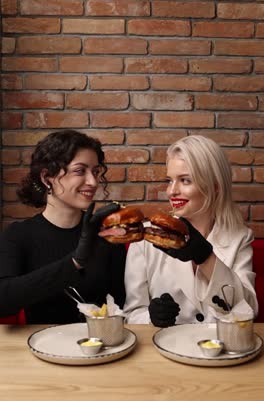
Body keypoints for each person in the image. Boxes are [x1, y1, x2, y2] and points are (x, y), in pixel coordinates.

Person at [123, 135, 258, 326]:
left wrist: (206, 258)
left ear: (215, 187)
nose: (171, 191)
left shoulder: (240, 238)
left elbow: (248, 311)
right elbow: (132, 313)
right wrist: (151, 318)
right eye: (170, 180)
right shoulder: (146, 238)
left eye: (185, 180)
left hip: (218, 351)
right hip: (164, 350)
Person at [0, 130, 126, 324]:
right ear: (46, 178)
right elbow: (4, 302)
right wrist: (74, 262)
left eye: (95, 171)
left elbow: (123, 304)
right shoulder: (18, 236)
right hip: (39, 348)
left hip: (101, 348)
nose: (93, 182)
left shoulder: (106, 233)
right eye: (79, 170)